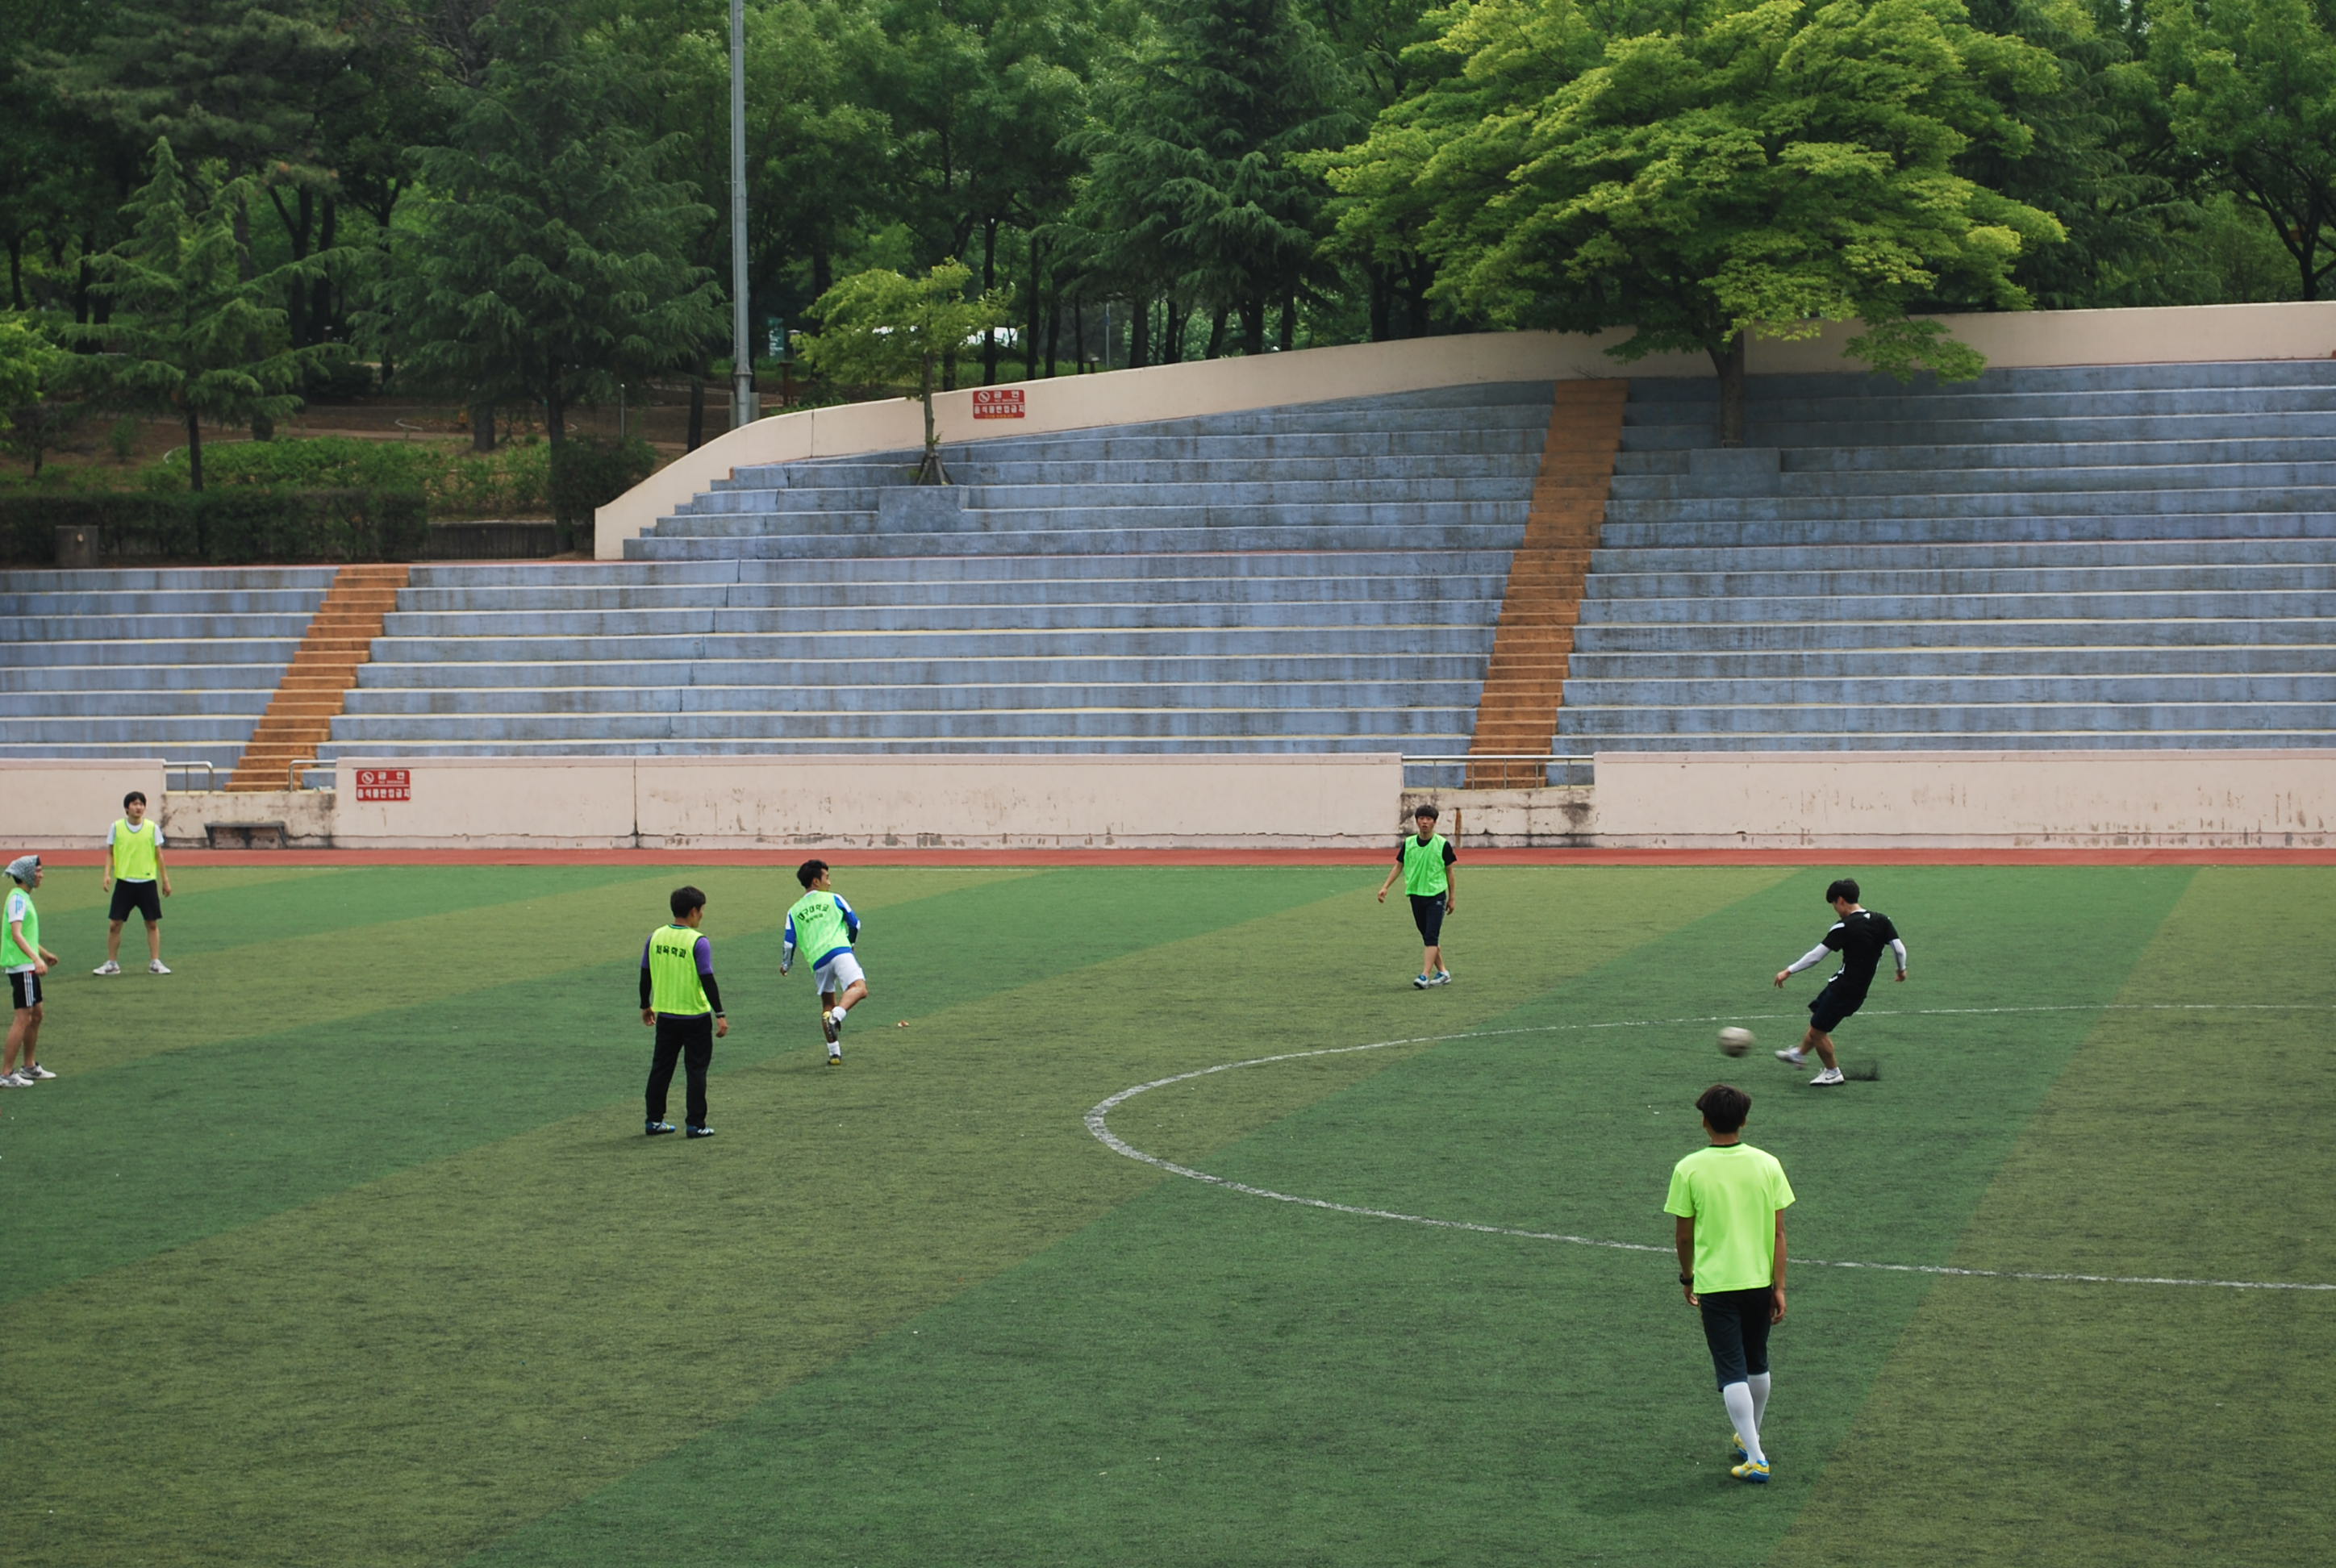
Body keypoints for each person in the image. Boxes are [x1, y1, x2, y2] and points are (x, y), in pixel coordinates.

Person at [1665, 1082, 1795, 1484]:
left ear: (1704, 1121)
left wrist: (1688, 1277)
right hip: (1758, 1280)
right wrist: (1779, 1286)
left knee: (1731, 1370)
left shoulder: (1689, 1168)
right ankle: (1749, 1436)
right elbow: (1779, 1233)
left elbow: (1684, 1236)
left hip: (1717, 1285)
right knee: (1757, 1361)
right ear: (1745, 1121)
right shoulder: (1767, 1164)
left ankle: (1756, 1457)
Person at [1771, 878, 1906, 1087]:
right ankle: (1799, 1054)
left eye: (1834, 904)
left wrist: (1789, 970)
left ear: (1841, 900)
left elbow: (1816, 956)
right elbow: (1899, 949)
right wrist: (1901, 969)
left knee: (1818, 1031)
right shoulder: (1882, 920)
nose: (1835, 910)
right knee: (1818, 1019)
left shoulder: (1844, 926)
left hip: (1845, 989)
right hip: (1850, 986)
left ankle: (1832, 1072)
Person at [640, 884, 727, 1138]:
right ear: (693, 911)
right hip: (695, 1016)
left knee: (661, 1068)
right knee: (696, 1070)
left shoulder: (655, 937)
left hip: (666, 1015)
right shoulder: (698, 941)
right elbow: (707, 979)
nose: (702, 915)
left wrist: (645, 1004)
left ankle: (654, 1120)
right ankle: (696, 1124)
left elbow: (645, 974)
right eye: (701, 910)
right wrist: (720, 1014)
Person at [782, 859, 862, 1065]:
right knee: (859, 989)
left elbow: (789, 943)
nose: (830, 882)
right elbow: (855, 924)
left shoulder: (794, 910)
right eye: (827, 877)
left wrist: (786, 965)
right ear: (816, 881)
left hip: (817, 961)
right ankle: (836, 1017)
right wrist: (851, 943)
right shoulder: (834, 898)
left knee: (827, 1004)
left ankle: (834, 1054)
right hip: (839, 950)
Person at [1376, 803, 1456, 987]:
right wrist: (1386, 887)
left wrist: (1452, 898)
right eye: (1422, 818)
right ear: (1417, 821)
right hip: (1416, 895)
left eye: (1429, 819)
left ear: (1434, 822)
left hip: (1436, 895)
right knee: (1428, 937)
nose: (1425, 822)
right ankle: (1443, 972)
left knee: (1431, 936)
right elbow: (1399, 866)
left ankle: (1424, 976)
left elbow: (1450, 872)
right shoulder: (1409, 843)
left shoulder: (1442, 845)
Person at [95, 790, 172, 975]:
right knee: (115, 924)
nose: (138, 807)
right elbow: (110, 853)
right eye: (135, 804)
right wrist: (107, 874)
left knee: (152, 924)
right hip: (124, 883)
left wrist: (165, 880)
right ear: (127, 808)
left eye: (141, 804)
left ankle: (155, 962)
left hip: (147, 882)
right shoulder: (116, 827)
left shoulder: (152, 828)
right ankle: (112, 964)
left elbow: (159, 855)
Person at [3, 856, 60, 1088]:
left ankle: (29, 1067)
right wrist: (36, 959)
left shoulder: (23, 897)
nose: (41, 875)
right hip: (22, 966)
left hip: (28, 965)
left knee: (36, 1015)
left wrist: (43, 954)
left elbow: (26, 935)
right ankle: (6, 1073)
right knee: (23, 1018)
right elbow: (16, 934)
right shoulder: (18, 899)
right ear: (26, 874)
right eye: (37, 871)